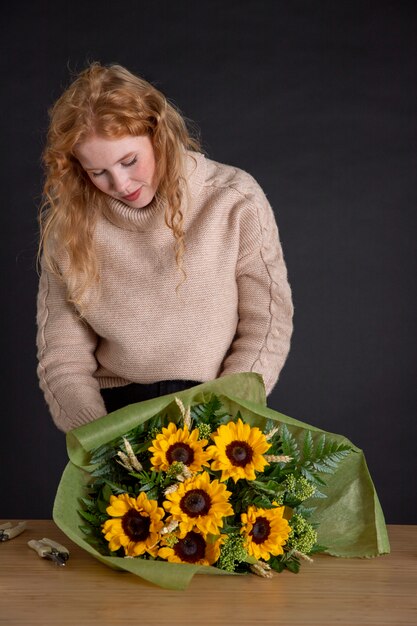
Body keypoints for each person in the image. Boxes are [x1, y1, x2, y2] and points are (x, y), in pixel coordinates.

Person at [36, 62, 294, 433]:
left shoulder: (234, 199)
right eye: (98, 173)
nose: (121, 183)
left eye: (129, 161)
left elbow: (267, 321)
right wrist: (101, 439)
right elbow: (62, 358)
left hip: (220, 411)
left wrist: (228, 414)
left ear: (158, 134)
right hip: (116, 419)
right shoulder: (70, 229)